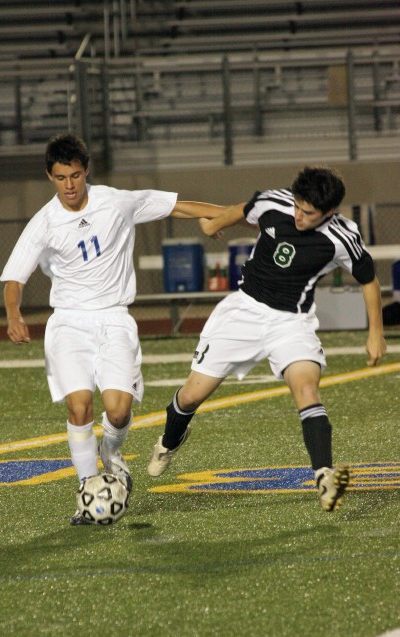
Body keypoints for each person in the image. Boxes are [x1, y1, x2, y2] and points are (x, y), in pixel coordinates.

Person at [1, 132, 225, 525]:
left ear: (86, 171)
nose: (68, 185)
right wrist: (13, 315)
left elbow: (175, 205)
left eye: (74, 175)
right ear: (50, 177)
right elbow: (14, 279)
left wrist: (226, 214)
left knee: (118, 413)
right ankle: (89, 488)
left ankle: (111, 454)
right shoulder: (45, 222)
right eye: (59, 178)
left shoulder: (116, 202)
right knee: (79, 405)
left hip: (114, 319)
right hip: (68, 323)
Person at [148, 166, 387, 512]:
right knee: (191, 395)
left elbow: (369, 280)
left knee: (306, 389)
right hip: (243, 312)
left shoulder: (342, 236)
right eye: (298, 207)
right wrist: (215, 224)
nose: (300, 216)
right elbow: (241, 211)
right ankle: (170, 441)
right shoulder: (274, 202)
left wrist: (375, 333)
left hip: (290, 322)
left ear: (330, 212)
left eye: (309, 213)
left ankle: (324, 474)